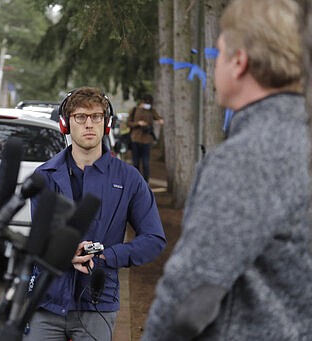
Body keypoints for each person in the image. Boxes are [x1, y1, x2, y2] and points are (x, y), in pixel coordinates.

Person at [142, 0, 312, 340]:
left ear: (239, 62)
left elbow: (188, 296)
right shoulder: (299, 143)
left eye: (218, 52)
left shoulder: (248, 160)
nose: (213, 63)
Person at [24, 87, 166, 341]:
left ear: (106, 123)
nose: (89, 124)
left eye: (96, 116)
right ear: (65, 124)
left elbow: (154, 239)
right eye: (80, 117)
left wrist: (107, 255)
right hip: (46, 300)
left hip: (98, 304)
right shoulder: (44, 175)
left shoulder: (129, 178)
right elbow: (40, 237)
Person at [127, 94, 164, 182]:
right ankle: (135, 181)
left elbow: (159, 118)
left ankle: (145, 183)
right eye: (145, 102)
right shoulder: (135, 110)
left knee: (146, 163)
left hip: (147, 140)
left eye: (149, 103)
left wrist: (160, 121)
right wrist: (138, 123)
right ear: (141, 102)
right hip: (135, 139)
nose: (147, 104)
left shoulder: (151, 111)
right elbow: (128, 123)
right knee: (135, 163)